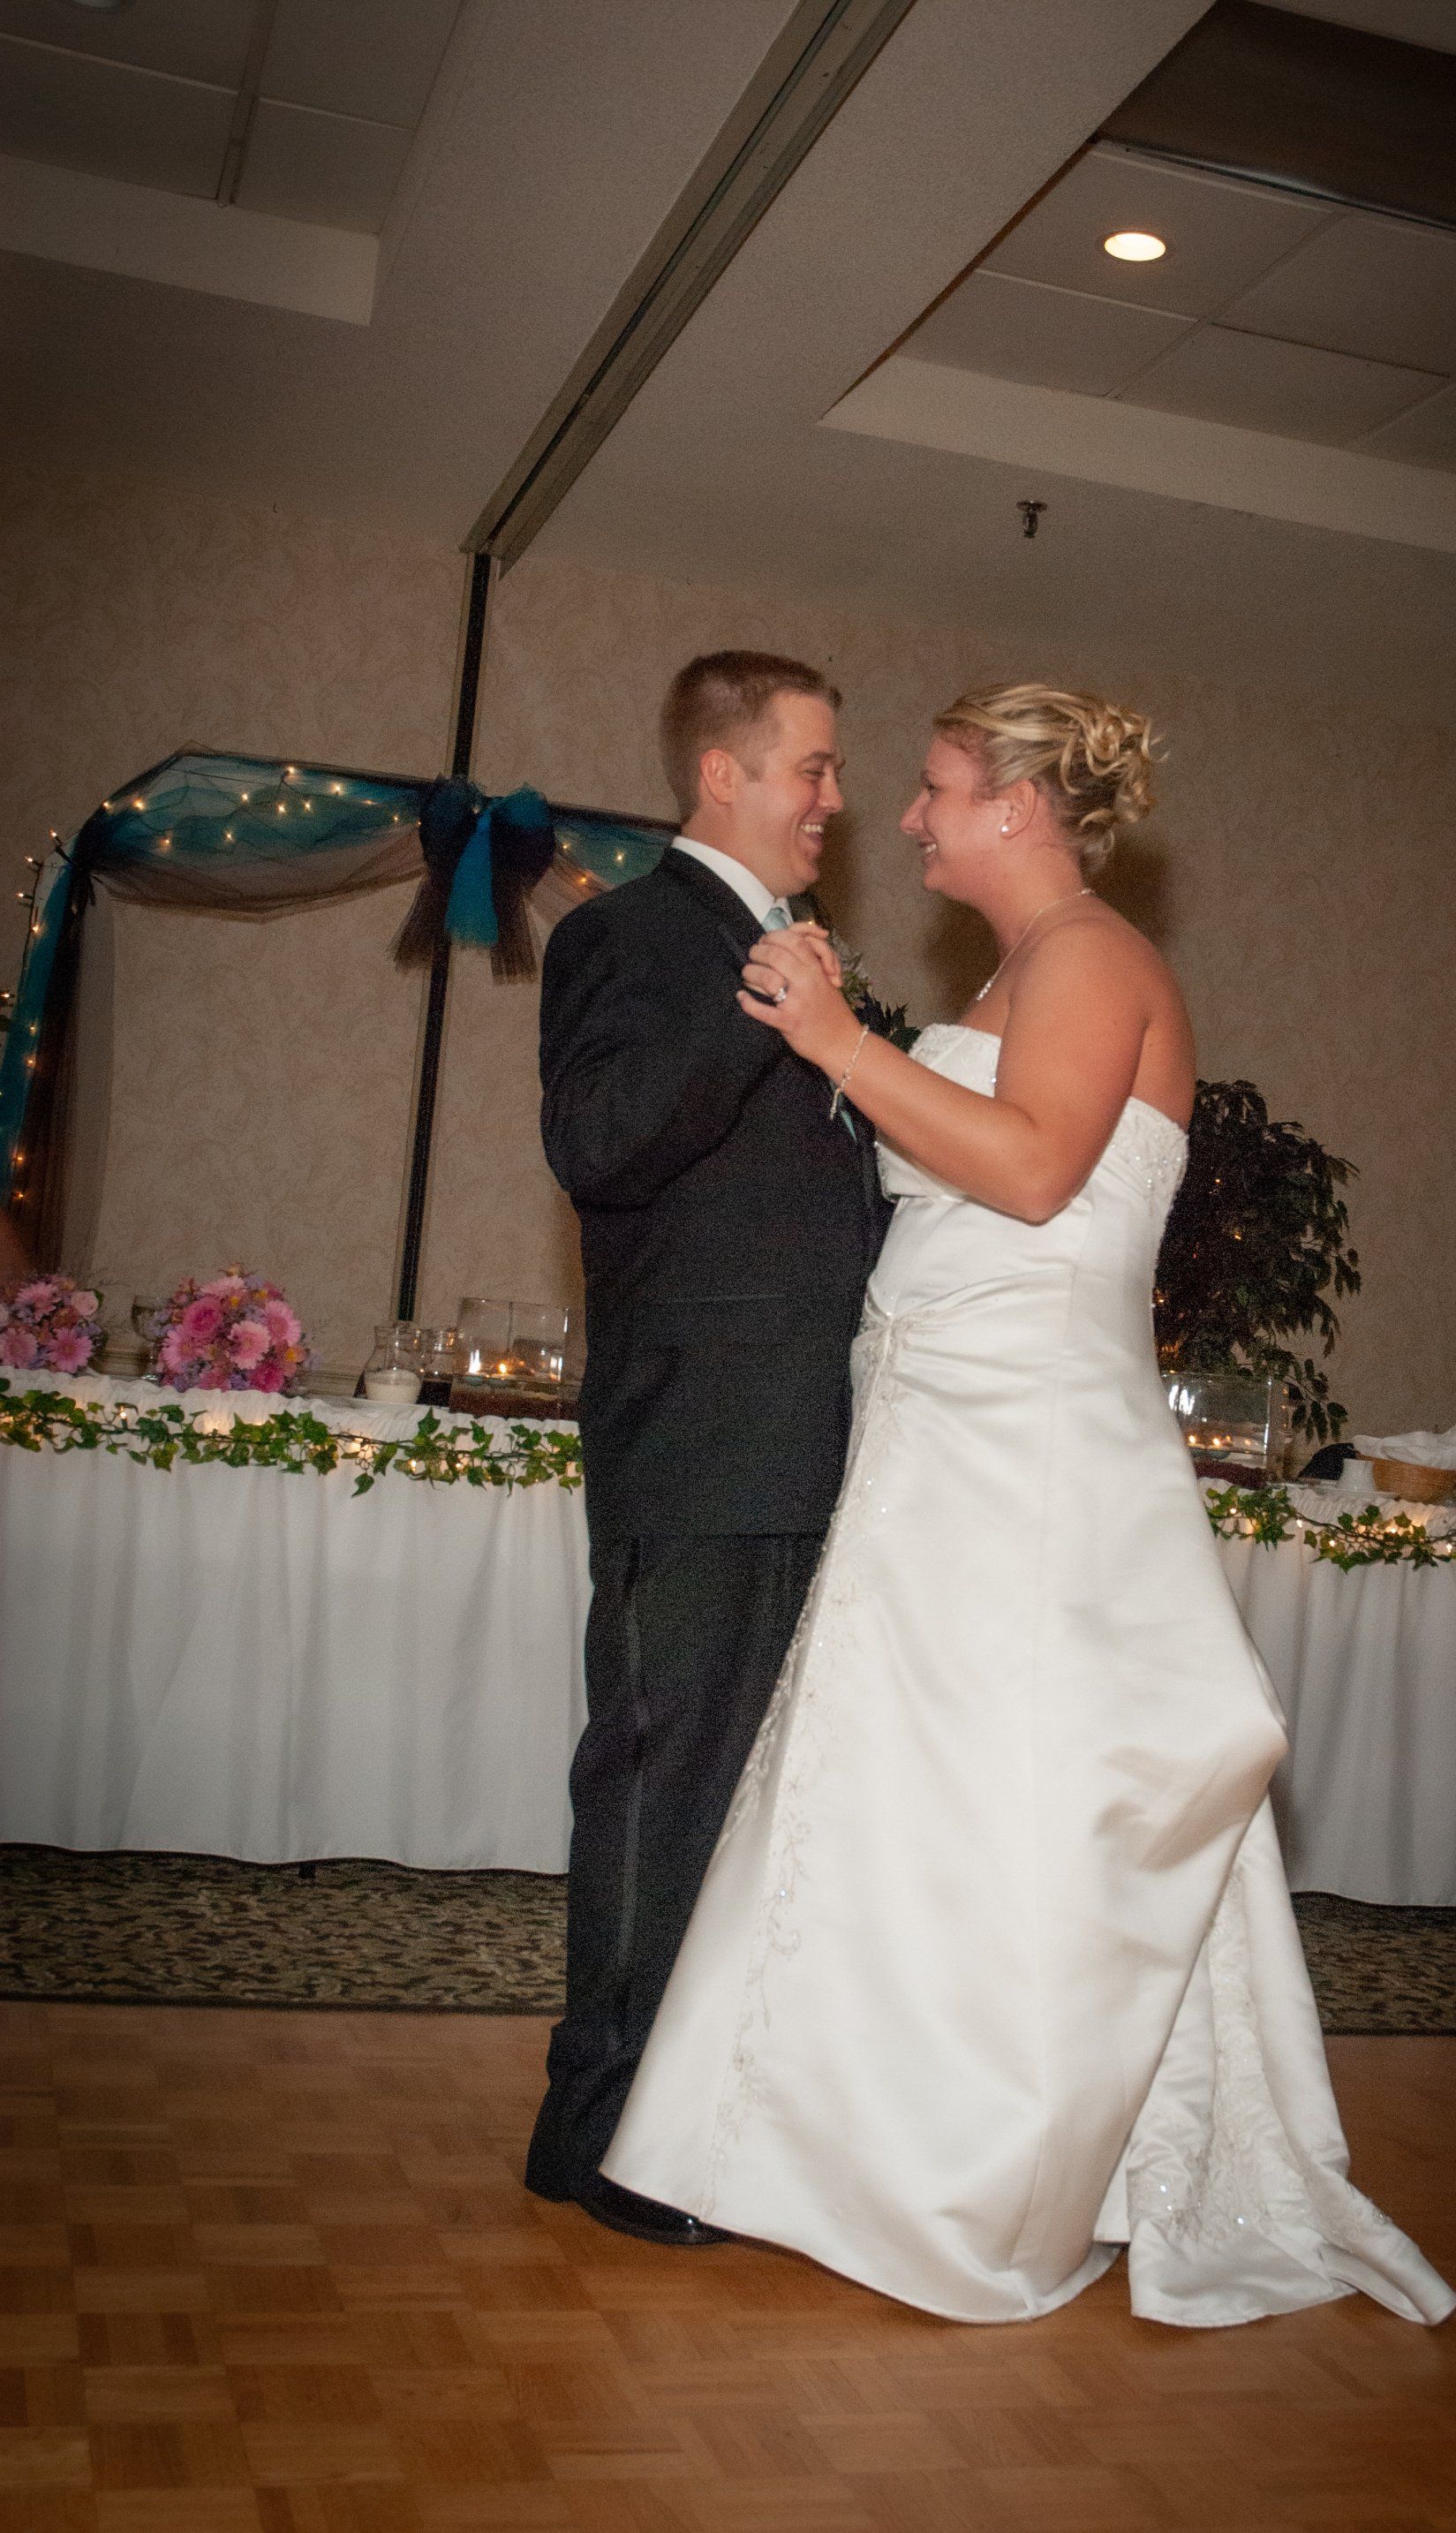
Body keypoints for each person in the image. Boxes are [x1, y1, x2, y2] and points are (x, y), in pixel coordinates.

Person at [603, 681, 1456, 2327]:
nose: (906, 817)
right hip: (947, 1429)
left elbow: (1035, 1169)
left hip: (1031, 1443)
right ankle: (844, 2149)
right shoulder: (1017, 971)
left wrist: (837, 1038)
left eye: (933, 788)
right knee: (913, 1790)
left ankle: (976, 2176)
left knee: (1009, 1796)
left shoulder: (1091, 958)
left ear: (1015, 806)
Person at [524, 651, 888, 2242]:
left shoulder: (798, 958)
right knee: (662, 1778)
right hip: (700, 1436)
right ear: (722, 774)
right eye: (812, 766)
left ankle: (702, 2123)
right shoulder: (627, 935)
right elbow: (599, 1143)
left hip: (813, 1440)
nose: (835, 799)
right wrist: (773, 1008)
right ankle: (601, 2137)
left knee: (750, 1800)